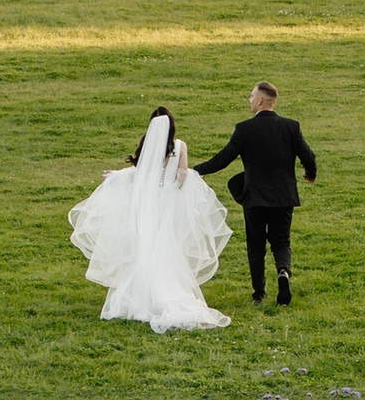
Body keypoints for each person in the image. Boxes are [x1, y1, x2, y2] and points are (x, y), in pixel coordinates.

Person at [69, 106, 233, 332]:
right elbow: (183, 174)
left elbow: (140, 173)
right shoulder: (179, 146)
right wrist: (183, 184)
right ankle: (167, 291)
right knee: (166, 246)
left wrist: (117, 175)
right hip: (169, 203)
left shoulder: (148, 145)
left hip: (149, 203)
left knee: (147, 245)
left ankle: (143, 296)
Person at [193, 81, 316, 306]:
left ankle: (259, 293)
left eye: (251, 97)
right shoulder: (291, 127)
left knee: (255, 245)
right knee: (281, 241)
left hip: (254, 197)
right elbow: (308, 156)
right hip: (283, 196)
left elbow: (223, 159)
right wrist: (311, 173)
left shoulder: (245, 129)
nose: (250, 100)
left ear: (260, 101)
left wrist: (195, 171)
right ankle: (283, 272)